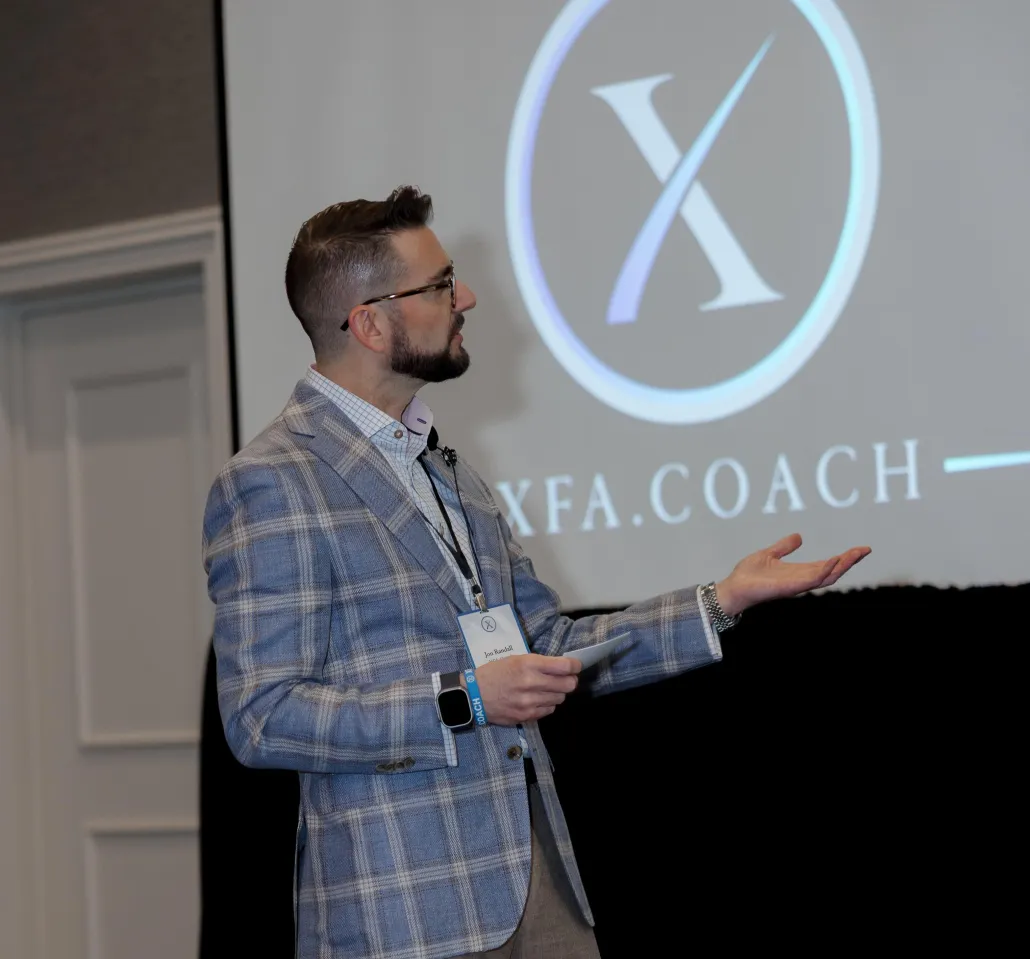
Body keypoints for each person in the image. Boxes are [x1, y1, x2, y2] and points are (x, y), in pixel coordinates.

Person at [203, 185, 870, 959]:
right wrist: (464, 697)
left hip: (538, 888)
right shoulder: (274, 479)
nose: (467, 298)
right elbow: (263, 715)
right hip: (404, 913)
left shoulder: (446, 471)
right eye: (440, 285)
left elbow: (545, 644)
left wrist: (720, 600)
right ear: (371, 323)